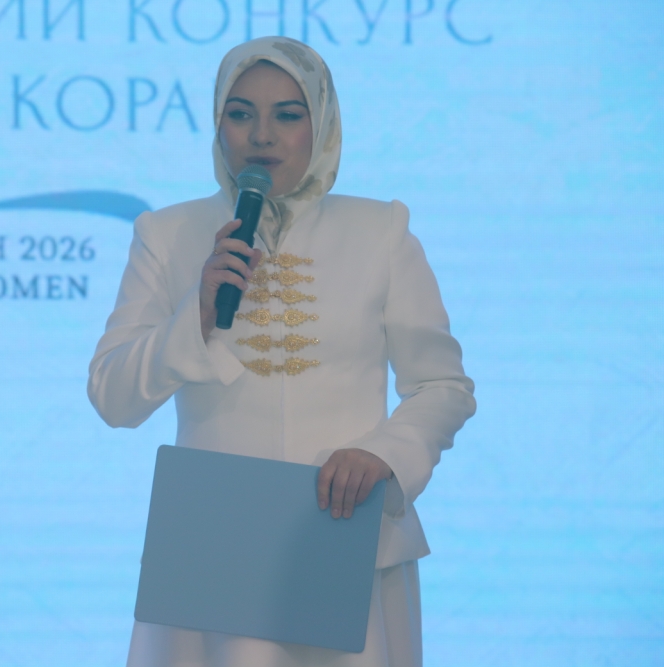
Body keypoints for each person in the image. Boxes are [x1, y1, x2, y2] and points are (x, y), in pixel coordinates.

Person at [88, 36, 476, 667]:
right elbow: (112, 395)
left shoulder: (380, 231)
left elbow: (443, 387)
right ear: (218, 125)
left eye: (288, 115)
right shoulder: (167, 233)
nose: (261, 135)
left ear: (320, 125)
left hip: (346, 538)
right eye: (240, 114)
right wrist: (196, 314)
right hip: (215, 549)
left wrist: (385, 454)